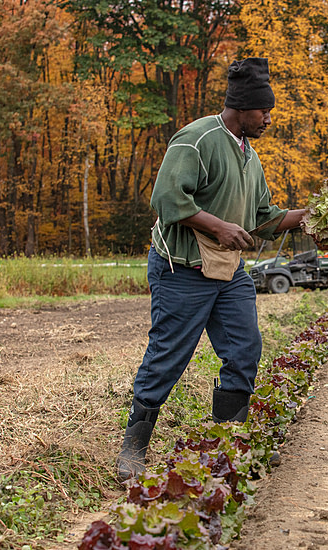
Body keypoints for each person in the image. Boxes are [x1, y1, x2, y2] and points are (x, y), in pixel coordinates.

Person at [116, 57, 306, 481]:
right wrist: (219, 226)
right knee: (169, 355)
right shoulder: (197, 139)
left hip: (228, 271)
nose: (268, 120)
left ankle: (227, 445)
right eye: (263, 111)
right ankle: (134, 447)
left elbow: (264, 218)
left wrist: (311, 217)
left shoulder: (249, 156)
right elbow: (167, 199)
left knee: (244, 349)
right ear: (241, 107)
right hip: (182, 267)